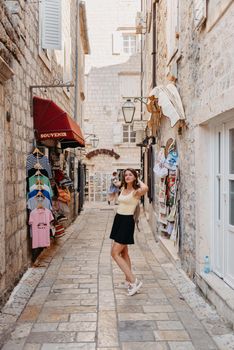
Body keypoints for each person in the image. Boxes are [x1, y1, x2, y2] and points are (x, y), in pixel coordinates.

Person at [109, 168, 148, 296]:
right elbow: (117, 185)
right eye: (125, 175)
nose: (127, 176)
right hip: (118, 220)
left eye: (130, 175)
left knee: (114, 253)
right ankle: (128, 281)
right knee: (124, 252)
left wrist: (137, 179)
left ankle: (134, 281)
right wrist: (130, 179)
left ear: (135, 177)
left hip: (126, 222)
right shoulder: (123, 188)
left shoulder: (137, 192)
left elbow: (146, 188)